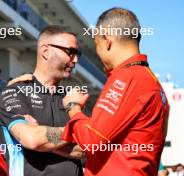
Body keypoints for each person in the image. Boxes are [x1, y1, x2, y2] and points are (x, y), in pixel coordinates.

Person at [61, 7, 170, 176]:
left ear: (106, 39)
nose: (98, 53)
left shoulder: (127, 78)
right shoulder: (151, 82)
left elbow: (91, 140)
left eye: (97, 45)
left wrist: (73, 107)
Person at [0, 25, 84, 176]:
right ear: (46, 51)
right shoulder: (15, 91)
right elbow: (31, 138)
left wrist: (44, 138)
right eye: (70, 52)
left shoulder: (71, 99)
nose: (75, 60)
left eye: (78, 53)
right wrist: (77, 131)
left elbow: (86, 151)